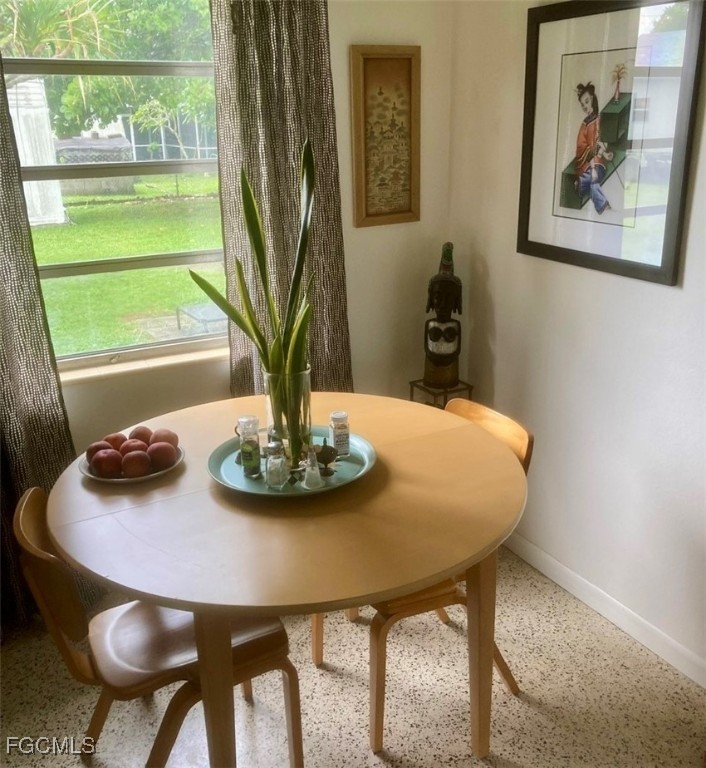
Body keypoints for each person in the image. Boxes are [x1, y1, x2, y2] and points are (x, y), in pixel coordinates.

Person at [423, 243, 462, 388]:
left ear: (456, 302)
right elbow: (427, 348)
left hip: (451, 373)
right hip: (431, 371)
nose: (444, 304)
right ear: (431, 300)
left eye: (450, 298)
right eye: (438, 297)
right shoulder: (430, 324)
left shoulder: (455, 325)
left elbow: (457, 349)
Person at [574, 82, 614, 215]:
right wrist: (592, 170)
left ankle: (581, 184)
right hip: (587, 164)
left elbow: (596, 143)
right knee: (593, 182)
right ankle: (605, 208)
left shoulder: (596, 118)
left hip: (595, 163)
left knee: (588, 182)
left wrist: (605, 154)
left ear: (592, 99)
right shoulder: (587, 123)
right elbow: (589, 147)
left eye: (586, 101)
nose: (585, 106)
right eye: (582, 104)